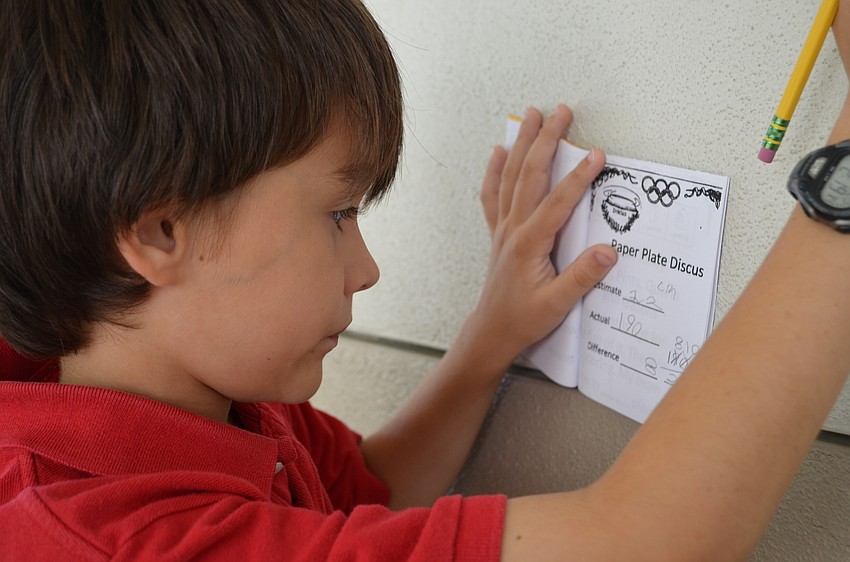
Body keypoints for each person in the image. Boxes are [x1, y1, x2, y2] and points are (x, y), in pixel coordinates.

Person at [0, 0, 848, 560]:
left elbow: (364, 491)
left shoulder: (199, 386)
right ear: (160, 229)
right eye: (337, 214)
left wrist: (493, 333)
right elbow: (649, 539)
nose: (365, 269)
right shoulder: (107, 539)